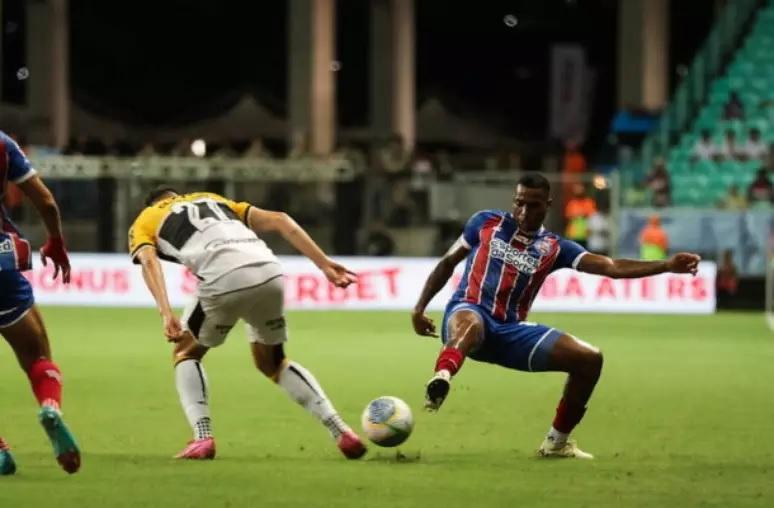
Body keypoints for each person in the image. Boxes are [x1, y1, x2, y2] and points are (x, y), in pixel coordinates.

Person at [410, 173, 700, 459]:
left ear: (547, 205)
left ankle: (556, 443)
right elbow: (448, 263)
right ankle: (443, 375)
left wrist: (666, 265)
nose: (523, 212)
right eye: (519, 203)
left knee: (589, 359)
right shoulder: (485, 222)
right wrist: (419, 308)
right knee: (472, 322)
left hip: (509, 331)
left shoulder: (556, 247)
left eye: (533, 205)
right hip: (465, 313)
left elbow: (611, 266)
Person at [128, 187, 366, 460]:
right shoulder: (213, 199)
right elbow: (280, 219)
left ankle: (202, 438)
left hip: (222, 278)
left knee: (186, 351)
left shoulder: (145, 219)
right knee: (273, 363)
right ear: (176, 194)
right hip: (270, 270)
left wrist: (165, 312)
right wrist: (323, 264)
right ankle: (341, 431)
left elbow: (148, 260)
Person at [0, 130, 81, 475]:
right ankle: (50, 406)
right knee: (38, 357)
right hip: (1, 269)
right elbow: (46, 202)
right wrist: (56, 242)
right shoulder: (3, 143)